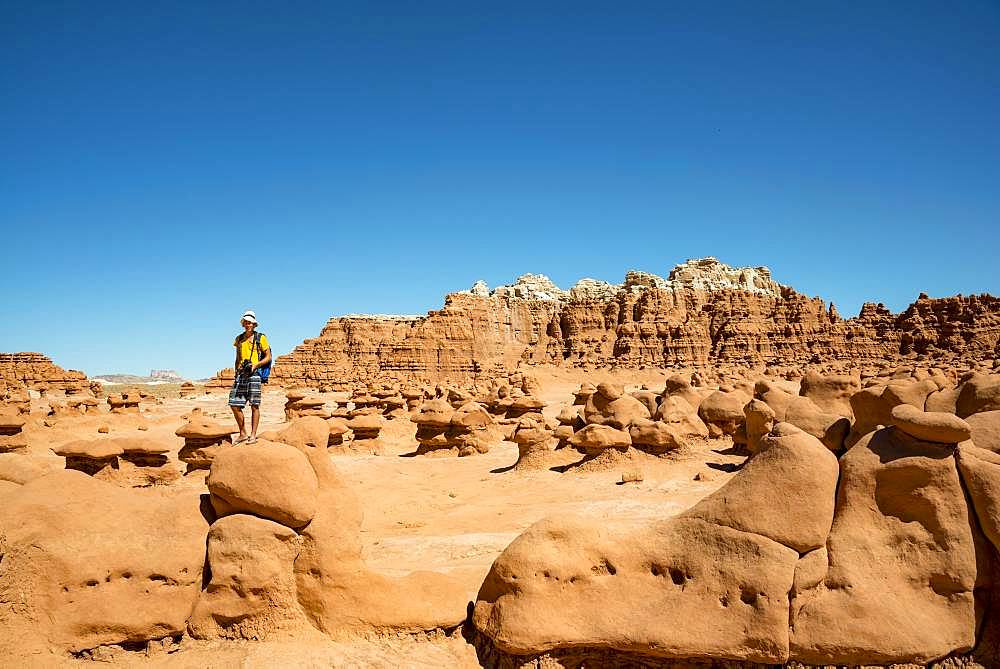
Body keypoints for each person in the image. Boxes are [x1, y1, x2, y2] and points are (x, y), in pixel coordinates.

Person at [228, 309, 271, 444]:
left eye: (250, 323)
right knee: (234, 404)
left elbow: (268, 357)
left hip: (255, 374)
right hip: (241, 374)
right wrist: (236, 372)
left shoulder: (261, 338)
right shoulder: (239, 339)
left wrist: (256, 365)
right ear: (243, 324)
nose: (248, 325)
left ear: (254, 324)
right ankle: (243, 433)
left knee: (254, 405)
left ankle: (253, 435)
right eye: (246, 322)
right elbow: (237, 357)